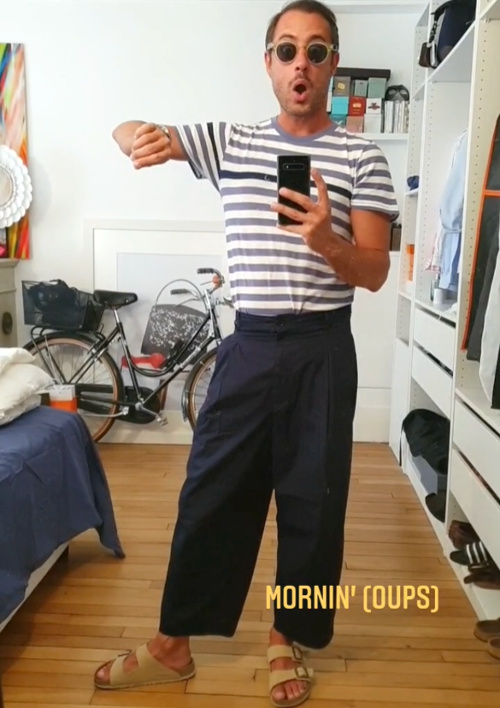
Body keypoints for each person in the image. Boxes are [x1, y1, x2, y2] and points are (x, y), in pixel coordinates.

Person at [94, 1, 399, 705]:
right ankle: (172, 646)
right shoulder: (231, 142)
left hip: (324, 350)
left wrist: (324, 239)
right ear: (268, 63)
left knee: (313, 503)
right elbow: (124, 128)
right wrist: (138, 138)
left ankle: (287, 636)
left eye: (316, 51)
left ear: (332, 64)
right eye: (287, 50)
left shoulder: (364, 157)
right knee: (211, 493)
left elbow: (376, 271)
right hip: (251, 343)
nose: (301, 64)